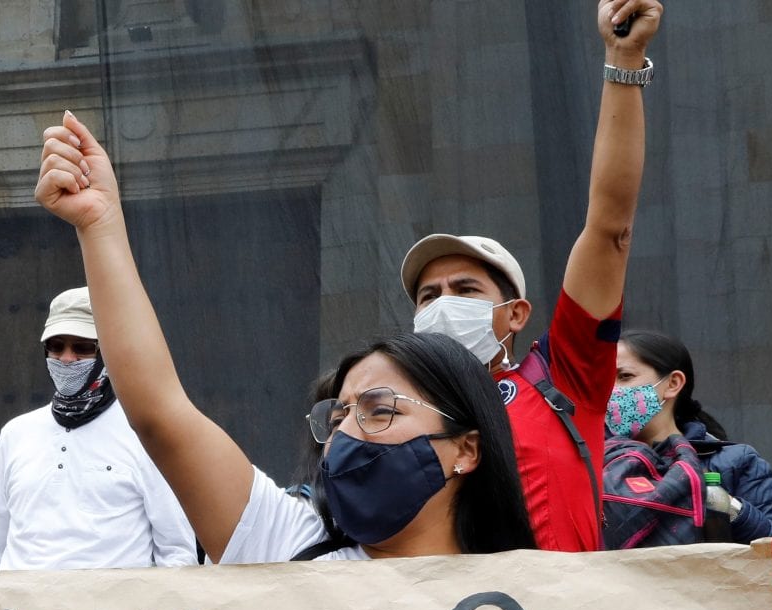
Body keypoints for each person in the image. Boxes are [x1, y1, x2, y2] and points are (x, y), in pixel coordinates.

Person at [35, 112, 535, 564]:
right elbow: (158, 411)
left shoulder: (535, 599)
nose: (347, 434)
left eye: (380, 409)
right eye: (337, 417)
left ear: (467, 449)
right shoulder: (289, 546)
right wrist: (99, 225)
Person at [401, 0, 663, 553]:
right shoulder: (393, 416)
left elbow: (608, 227)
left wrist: (624, 60)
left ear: (515, 314)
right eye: (429, 296)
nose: (443, 305)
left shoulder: (565, 378)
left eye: (466, 289)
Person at [0, 287, 198, 572]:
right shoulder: (16, 433)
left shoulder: (142, 432)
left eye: (83, 347)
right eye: (56, 345)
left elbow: (176, 553)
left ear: (108, 351)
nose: (67, 358)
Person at [601, 328, 772, 548]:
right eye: (604, 378)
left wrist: (728, 507)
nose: (610, 390)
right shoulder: (592, 465)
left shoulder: (735, 461)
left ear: (673, 383)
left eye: (624, 376)